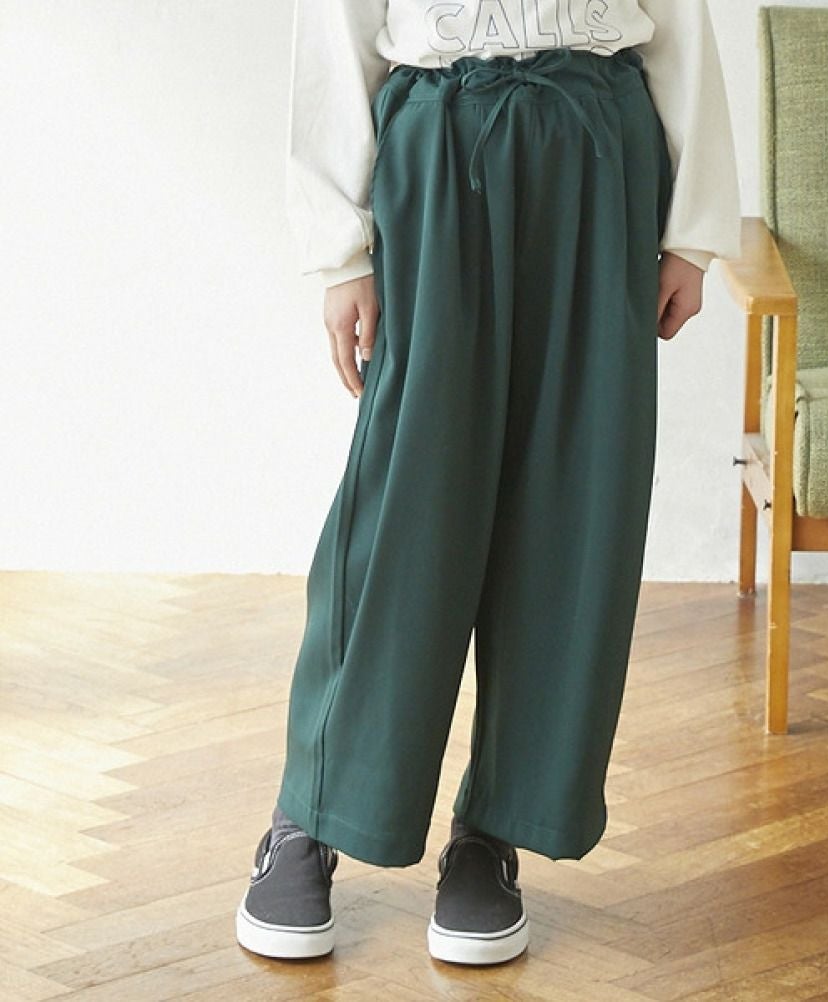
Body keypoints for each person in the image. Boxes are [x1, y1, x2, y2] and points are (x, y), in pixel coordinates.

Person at [236, 0, 741, 966]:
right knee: (404, 504)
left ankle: (494, 829)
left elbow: (680, 19)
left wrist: (693, 230)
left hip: (598, 149)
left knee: (572, 498)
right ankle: (315, 808)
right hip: (438, 144)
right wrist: (340, 251)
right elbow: (336, 30)